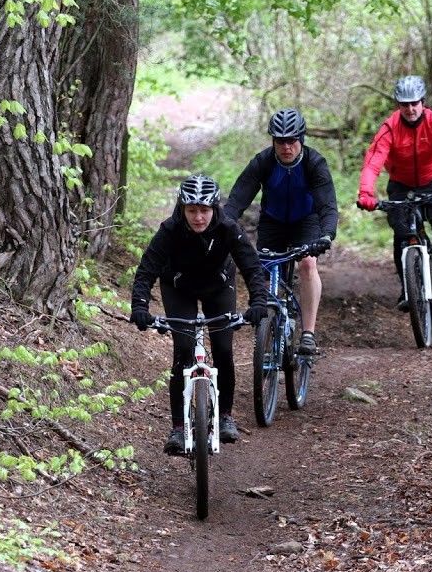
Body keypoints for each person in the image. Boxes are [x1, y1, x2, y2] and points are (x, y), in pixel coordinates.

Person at [130, 175, 269, 455]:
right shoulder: (170, 229)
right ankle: (179, 428)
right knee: (182, 351)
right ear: (182, 209)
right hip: (178, 286)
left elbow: (252, 268)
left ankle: (226, 416)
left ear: (214, 209)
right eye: (191, 210)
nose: (198, 217)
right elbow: (147, 270)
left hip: (219, 286)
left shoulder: (228, 227)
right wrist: (140, 307)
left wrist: (258, 303)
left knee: (222, 348)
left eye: (204, 210)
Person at [223, 108, 339, 355]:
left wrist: (327, 234)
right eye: (280, 141)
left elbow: (327, 205)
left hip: (306, 221)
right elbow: (237, 199)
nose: (286, 147)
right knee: (264, 273)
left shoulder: (314, 163)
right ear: (273, 141)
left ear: (302, 139)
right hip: (273, 222)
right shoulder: (263, 162)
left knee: (307, 264)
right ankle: (267, 330)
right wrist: (223, 226)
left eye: (292, 140)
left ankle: (308, 333)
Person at [356, 75, 432, 314]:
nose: (410, 109)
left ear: (422, 102)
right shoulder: (389, 128)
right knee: (401, 231)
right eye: (404, 104)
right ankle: (407, 290)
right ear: (398, 105)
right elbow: (373, 163)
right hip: (401, 184)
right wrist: (366, 193)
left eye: (414, 103)